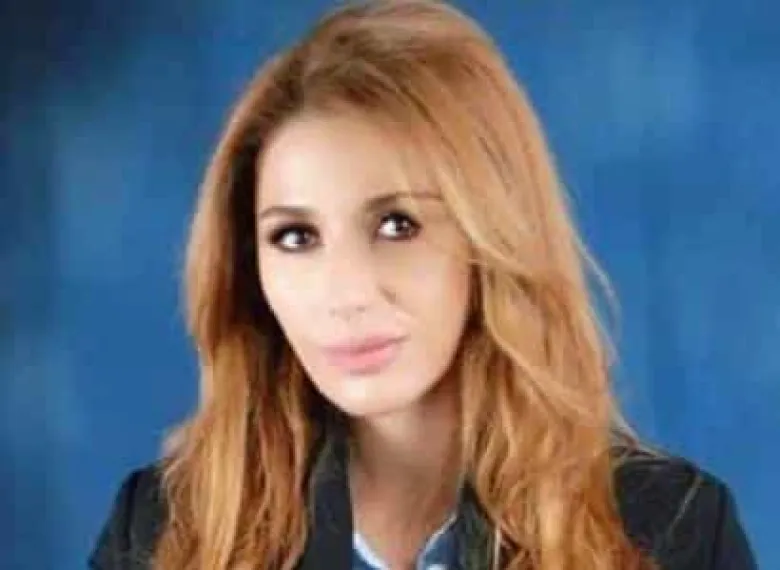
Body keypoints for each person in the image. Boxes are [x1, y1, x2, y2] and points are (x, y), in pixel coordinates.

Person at [89, 1, 757, 569]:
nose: (345, 293)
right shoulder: (163, 532)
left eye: (397, 225)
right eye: (295, 237)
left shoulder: (672, 530)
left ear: (493, 236)